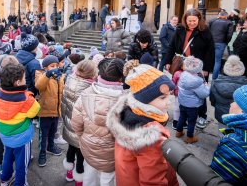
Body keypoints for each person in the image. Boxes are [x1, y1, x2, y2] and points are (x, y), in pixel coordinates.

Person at [107, 61, 178, 185]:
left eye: (169, 96)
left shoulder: (126, 113)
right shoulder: (150, 138)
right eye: (163, 98)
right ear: (144, 99)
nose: (169, 102)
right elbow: (153, 181)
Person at [72, 58, 125, 186]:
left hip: (88, 145)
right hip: (111, 152)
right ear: (120, 79)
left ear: (99, 74)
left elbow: (76, 123)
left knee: (89, 173)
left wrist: (82, 137)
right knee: (108, 178)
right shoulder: (125, 101)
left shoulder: (85, 93)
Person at [0, 62, 41, 186]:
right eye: (24, 78)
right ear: (18, 83)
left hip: (5, 135)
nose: (26, 80)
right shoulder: (26, 99)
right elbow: (35, 111)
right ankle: (20, 183)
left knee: (8, 157)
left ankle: (4, 179)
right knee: (21, 164)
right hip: (21, 138)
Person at [165, 8, 215, 129]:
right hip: (182, 64)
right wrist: (167, 61)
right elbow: (171, 46)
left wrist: (207, 69)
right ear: (185, 20)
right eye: (189, 21)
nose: (192, 23)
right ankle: (182, 116)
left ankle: (201, 116)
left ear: (199, 19)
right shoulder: (180, 29)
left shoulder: (205, 31)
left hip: (198, 67)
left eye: (194, 20)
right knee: (181, 89)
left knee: (200, 91)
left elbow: (210, 51)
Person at [62, 60, 97, 185]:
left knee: (71, 148)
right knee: (81, 156)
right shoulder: (90, 89)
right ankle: (79, 179)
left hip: (68, 124)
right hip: (81, 129)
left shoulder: (69, 81)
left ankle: (69, 173)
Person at [35, 55, 65, 167]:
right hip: (45, 111)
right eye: (52, 66)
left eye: (56, 65)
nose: (55, 67)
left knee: (53, 131)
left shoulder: (60, 76)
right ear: (45, 67)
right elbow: (39, 86)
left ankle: (51, 146)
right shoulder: (40, 74)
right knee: (44, 134)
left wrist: (61, 78)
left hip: (56, 110)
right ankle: (42, 152)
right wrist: (48, 75)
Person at [209, 55, 247, 134]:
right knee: (235, 134)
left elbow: (212, 100)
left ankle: (223, 142)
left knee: (222, 132)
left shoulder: (215, 83)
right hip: (238, 117)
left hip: (221, 114)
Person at [175, 56, 210, 144]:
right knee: (191, 121)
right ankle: (190, 137)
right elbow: (204, 94)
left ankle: (178, 132)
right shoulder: (197, 81)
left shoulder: (183, 74)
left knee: (182, 117)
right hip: (192, 106)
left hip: (182, 102)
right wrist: (206, 86)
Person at [208, 11, 234, 80]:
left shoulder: (212, 21)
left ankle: (206, 76)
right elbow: (229, 35)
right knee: (217, 61)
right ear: (226, 16)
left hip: (211, 42)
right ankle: (214, 78)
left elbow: (208, 31)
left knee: (209, 59)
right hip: (221, 43)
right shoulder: (229, 22)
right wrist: (226, 42)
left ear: (219, 15)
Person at [16, 32, 41, 97]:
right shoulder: (34, 63)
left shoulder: (15, 58)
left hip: (17, 94)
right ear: (33, 47)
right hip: (29, 95)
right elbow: (38, 84)